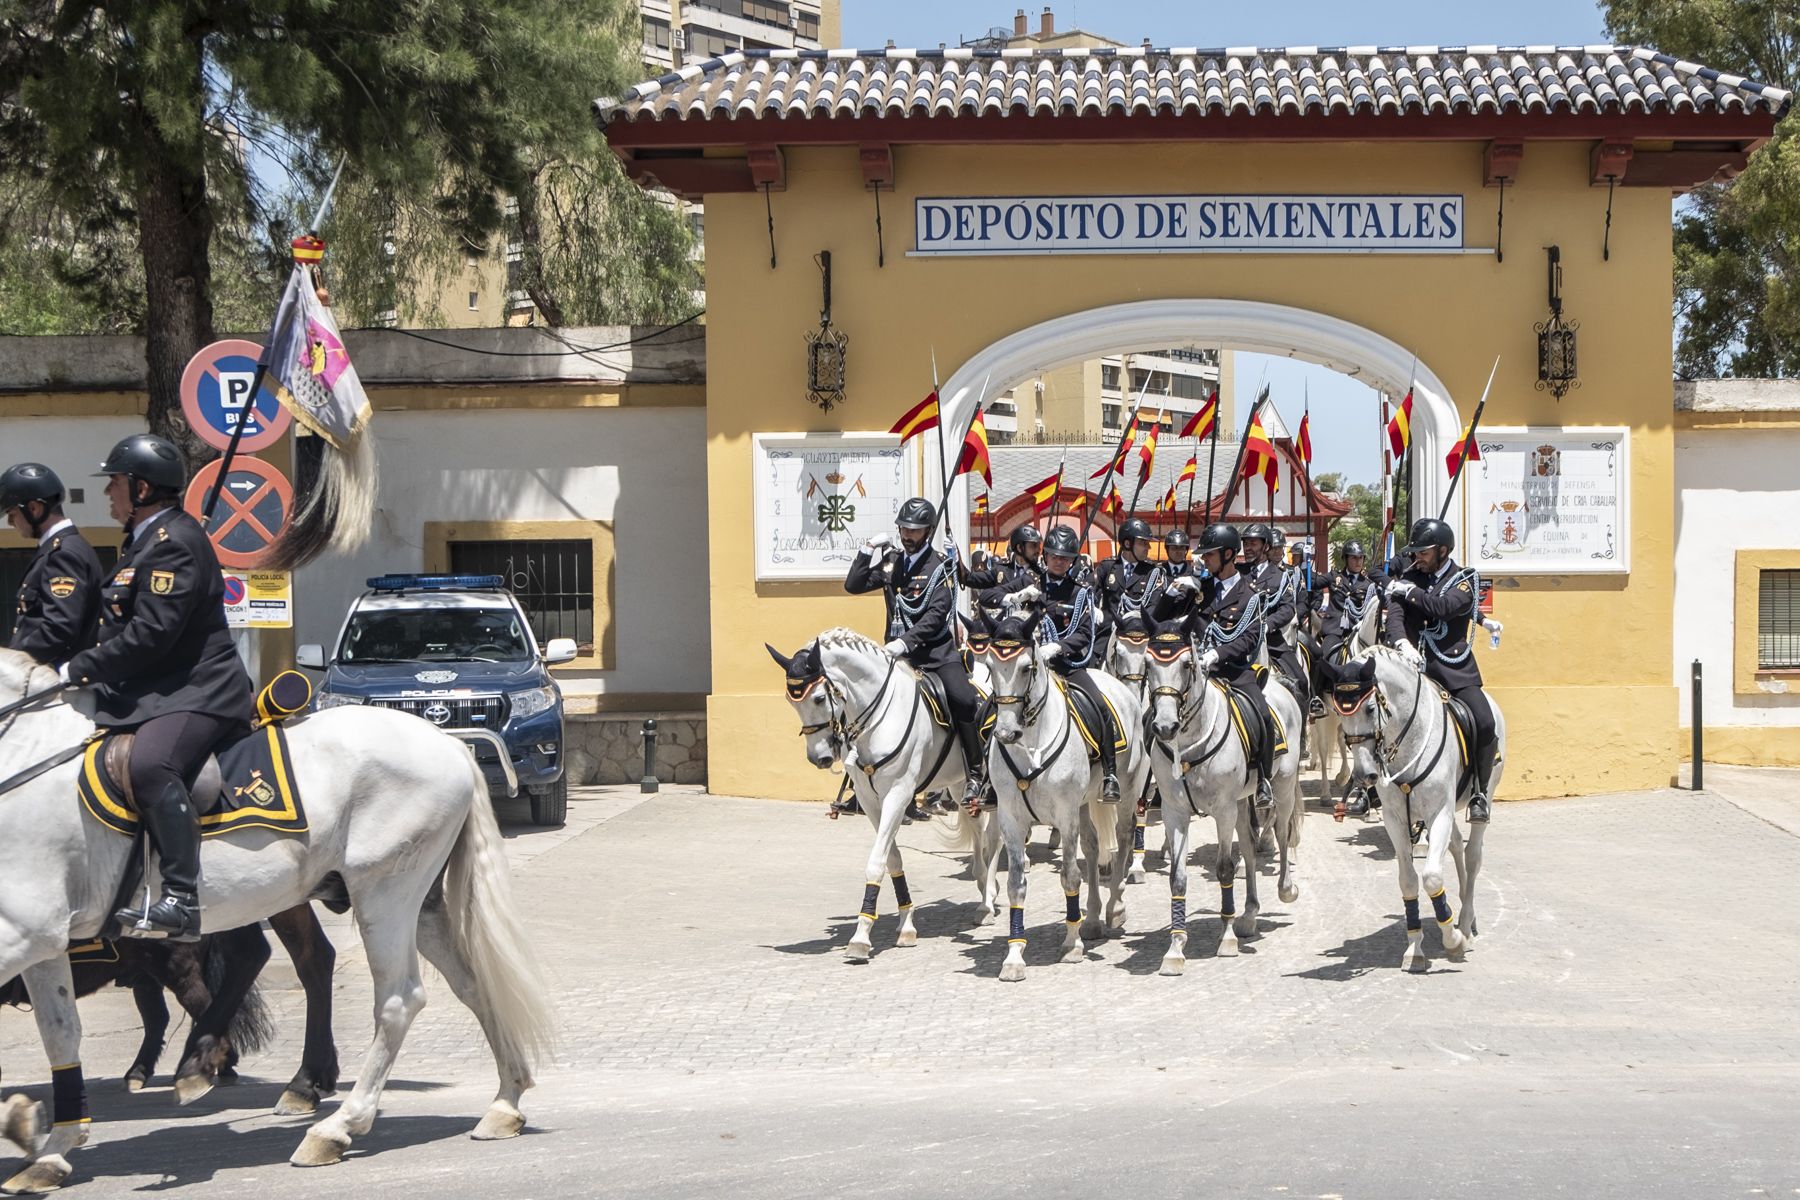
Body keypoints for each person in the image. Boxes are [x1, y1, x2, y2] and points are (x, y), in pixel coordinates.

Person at [61, 434, 255, 941]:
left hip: (199, 690)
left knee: (150, 765)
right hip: (160, 688)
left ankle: (181, 898)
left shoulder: (176, 544)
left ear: (142, 487)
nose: (109, 494)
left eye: (116, 484)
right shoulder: (146, 541)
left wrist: (81, 668)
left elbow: (151, 636)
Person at [845, 497, 986, 811]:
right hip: (897, 657)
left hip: (935, 654)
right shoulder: (892, 562)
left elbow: (937, 614)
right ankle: (860, 783)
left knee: (963, 699)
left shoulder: (941, 565)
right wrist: (867, 549)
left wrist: (904, 642)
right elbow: (853, 585)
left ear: (928, 531)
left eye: (915, 531)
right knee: (861, 700)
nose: (908, 536)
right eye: (904, 529)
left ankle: (976, 771)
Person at [1383, 517, 1502, 823]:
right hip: (1412, 668)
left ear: (1442, 551)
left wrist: (1408, 592)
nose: (1416, 557)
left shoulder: (1464, 580)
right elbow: (1394, 616)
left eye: (1423, 552)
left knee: (1485, 722)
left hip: (1452, 667)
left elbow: (1444, 607)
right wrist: (1401, 643)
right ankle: (1371, 784)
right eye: (1415, 552)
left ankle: (1478, 791)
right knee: (1378, 715)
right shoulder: (1410, 575)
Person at [1152, 522, 1276, 815]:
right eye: (1204, 555)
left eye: (1210, 555)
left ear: (1229, 554)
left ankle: (1264, 780)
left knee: (1262, 714)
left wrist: (1217, 654)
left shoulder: (1250, 593)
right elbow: (1158, 620)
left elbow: (1249, 638)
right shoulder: (1200, 589)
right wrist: (1173, 591)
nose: (1204, 560)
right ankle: (1153, 780)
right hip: (1193, 673)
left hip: (1233, 671)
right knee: (1154, 713)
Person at [1000, 524, 1120, 801]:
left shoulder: (1080, 592)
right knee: (995, 708)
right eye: (1054, 555)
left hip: (1065, 666)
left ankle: (1110, 774)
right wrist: (1013, 597)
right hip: (1026, 667)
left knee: (1101, 708)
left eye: (1065, 558)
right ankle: (984, 779)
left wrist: (1058, 647)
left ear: (1072, 561)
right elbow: (987, 597)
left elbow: (1084, 632)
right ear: (1046, 556)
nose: (1059, 561)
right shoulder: (1029, 583)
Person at [3, 462, 103, 665]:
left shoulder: (63, 554)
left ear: (34, 508)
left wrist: (11, 664)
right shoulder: (58, 548)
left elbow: (59, 627)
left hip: (55, 680)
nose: (10, 523)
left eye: (12, 514)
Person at [1241, 522, 1310, 714]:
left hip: (1270, 640)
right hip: (1238, 638)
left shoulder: (1279, 576)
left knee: (1301, 681)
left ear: (1266, 547)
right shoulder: (1238, 573)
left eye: (1253, 543)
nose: (1247, 548)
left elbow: (1288, 609)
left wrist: (1266, 626)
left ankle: (1303, 728)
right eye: (1245, 544)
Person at [1095, 517, 1157, 651]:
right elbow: (1092, 592)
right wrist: (1094, 609)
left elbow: (1153, 606)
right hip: (1107, 634)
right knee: (1091, 666)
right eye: (1143, 543)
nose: (1148, 547)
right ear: (1128, 543)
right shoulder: (1107, 567)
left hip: (1138, 636)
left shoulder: (1152, 572)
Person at [964, 524, 1042, 593]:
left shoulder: (1041, 575)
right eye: (1033, 546)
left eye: (1039, 546)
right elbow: (969, 578)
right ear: (1019, 548)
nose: (1038, 550)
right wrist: (956, 556)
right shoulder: (1000, 571)